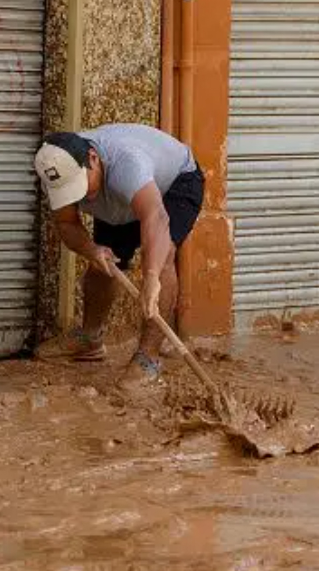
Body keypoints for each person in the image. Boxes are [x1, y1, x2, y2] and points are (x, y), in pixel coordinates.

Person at [33, 123, 204, 392]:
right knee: (104, 260)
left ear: (93, 158)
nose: (81, 196)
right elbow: (66, 224)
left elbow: (155, 217)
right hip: (118, 201)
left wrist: (150, 278)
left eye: (80, 185)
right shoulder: (57, 172)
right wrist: (91, 249)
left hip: (173, 183)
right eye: (72, 191)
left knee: (163, 258)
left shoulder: (128, 164)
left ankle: (148, 358)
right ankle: (90, 338)